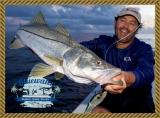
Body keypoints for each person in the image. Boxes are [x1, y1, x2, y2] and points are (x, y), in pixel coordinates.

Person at [81, 7, 155, 113]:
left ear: (137, 29)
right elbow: (79, 48)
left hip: (139, 101)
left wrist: (125, 77)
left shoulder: (143, 48)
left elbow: (147, 73)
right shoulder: (103, 42)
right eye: (122, 20)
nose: (125, 26)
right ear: (115, 23)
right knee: (96, 111)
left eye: (132, 23)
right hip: (110, 98)